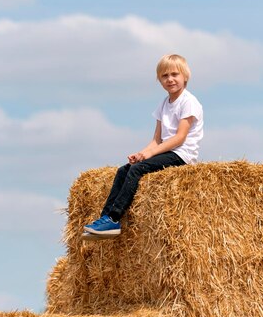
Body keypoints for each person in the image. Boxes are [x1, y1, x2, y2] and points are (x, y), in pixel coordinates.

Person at [82, 54, 204, 240]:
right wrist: (142, 153)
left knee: (137, 171)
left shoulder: (189, 102)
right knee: (125, 169)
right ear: (159, 80)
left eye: (174, 74)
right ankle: (105, 218)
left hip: (181, 154)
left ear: (185, 76)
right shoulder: (164, 104)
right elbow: (157, 139)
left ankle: (115, 219)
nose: (170, 79)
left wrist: (151, 154)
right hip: (166, 150)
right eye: (164, 76)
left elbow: (179, 138)